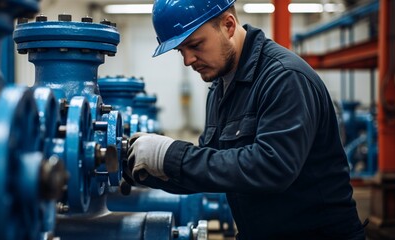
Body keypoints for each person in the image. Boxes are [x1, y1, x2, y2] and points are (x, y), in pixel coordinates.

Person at [124, 0, 366, 239]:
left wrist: (172, 155)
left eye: (195, 45)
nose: (188, 60)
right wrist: (144, 166)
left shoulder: (284, 77)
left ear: (229, 26)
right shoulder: (220, 88)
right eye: (181, 51)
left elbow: (272, 167)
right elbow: (211, 170)